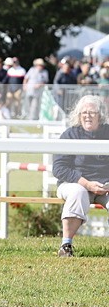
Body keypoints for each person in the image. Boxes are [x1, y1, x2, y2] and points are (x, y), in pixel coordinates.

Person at [52, 95, 109, 257]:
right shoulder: (69, 135)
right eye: (84, 112)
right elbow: (59, 168)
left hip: (105, 186)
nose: (87, 116)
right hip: (75, 184)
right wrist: (87, 184)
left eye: (92, 112)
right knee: (78, 192)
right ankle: (66, 246)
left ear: (100, 115)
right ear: (78, 115)